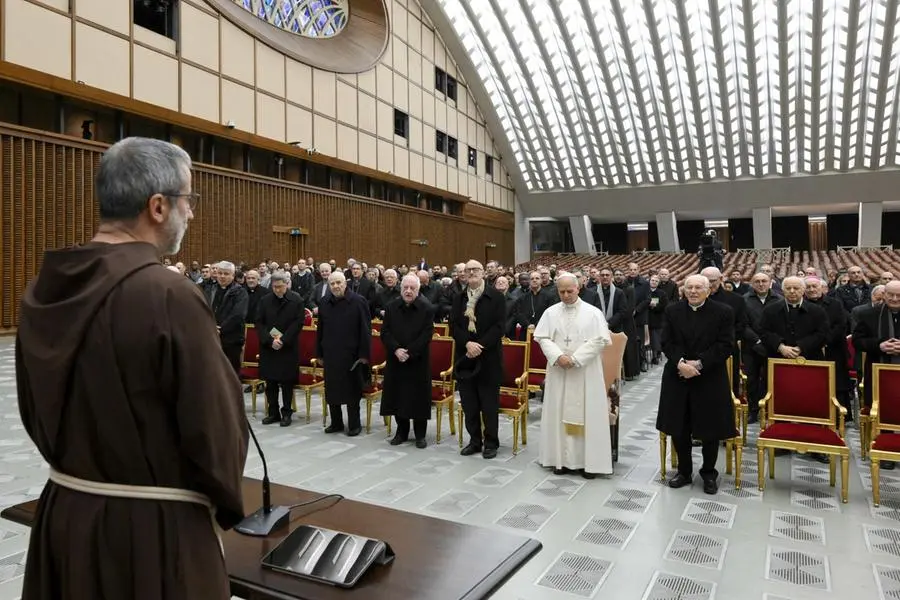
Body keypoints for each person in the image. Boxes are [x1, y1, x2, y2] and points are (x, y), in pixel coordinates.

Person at [14, 137, 248, 599]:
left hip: (65, 518)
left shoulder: (45, 287)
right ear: (158, 206)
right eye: (189, 200)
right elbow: (216, 435)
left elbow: (31, 407)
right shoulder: (167, 294)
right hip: (149, 536)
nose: (192, 214)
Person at [656, 275, 735, 494]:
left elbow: (725, 345)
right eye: (689, 287)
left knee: (710, 428)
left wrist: (698, 364)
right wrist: (681, 363)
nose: (693, 291)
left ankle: (709, 473)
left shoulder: (723, 312)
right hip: (677, 376)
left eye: (698, 287)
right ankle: (684, 471)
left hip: (709, 377)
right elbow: (666, 342)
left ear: (708, 290)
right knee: (679, 427)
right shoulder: (673, 311)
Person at [534, 273, 613, 479]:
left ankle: (588, 464)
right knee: (557, 412)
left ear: (578, 288)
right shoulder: (551, 313)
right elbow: (542, 337)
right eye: (562, 292)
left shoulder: (593, 313)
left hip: (585, 371)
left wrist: (576, 359)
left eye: (570, 291)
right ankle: (559, 460)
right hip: (559, 370)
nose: (566, 295)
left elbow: (600, 340)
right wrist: (558, 356)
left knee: (588, 414)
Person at [451, 259, 506, 459]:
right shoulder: (458, 298)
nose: (472, 272)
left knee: (489, 405)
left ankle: (491, 442)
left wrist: (479, 345)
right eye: (468, 270)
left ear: (483, 272)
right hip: (465, 358)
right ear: (464, 274)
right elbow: (454, 326)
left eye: (476, 269)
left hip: (489, 358)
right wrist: (467, 344)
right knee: (470, 404)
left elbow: (500, 327)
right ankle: (474, 441)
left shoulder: (496, 297)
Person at [380, 274, 435, 448]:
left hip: (417, 361)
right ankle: (401, 432)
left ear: (418, 290)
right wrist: (396, 349)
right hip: (396, 359)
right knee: (398, 397)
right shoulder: (391, 307)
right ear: (400, 288)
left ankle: (420, 435)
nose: (408, 291)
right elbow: (385, 332)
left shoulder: (426, 308)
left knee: (418, 398)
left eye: (412, 288)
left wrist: (409, 352)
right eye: (405, 288)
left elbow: (427, 334)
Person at [317, 271, 372, 436]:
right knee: (332, 390)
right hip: (331, 354)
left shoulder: (358, 302)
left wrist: (364, 355)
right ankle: (336, 423)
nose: (335, 286)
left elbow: (365, 330)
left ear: (345, 283)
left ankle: (354, 424)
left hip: (352, 356)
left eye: (338, 283)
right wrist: (319, 353)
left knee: (351, 391)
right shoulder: (324, 302)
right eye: (332, 283)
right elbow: (320, 330)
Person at [255, 271, 305, 426]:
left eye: (280, 287)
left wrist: (283, 340)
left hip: (287, 348)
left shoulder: (296, 300)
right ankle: (273, 412)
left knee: (287, 383)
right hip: (269, 348)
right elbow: (259, 322)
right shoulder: (265, 300)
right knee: (270, 383)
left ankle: (287, 412)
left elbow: (298, 323)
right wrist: (270, 340)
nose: (277, 290)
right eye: (275, 287)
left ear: (287, 284)